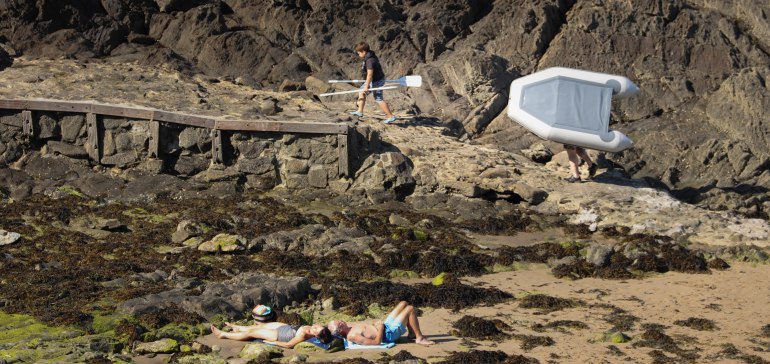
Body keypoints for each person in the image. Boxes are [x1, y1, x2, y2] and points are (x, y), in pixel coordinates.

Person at [327, 301, 435, 346]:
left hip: (384, 326)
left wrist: (376, 325)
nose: (341, 321)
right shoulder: (352, 336)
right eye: (339, 323)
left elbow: (367, 329)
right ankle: (419, 338)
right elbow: (376, 342)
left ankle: (412, 334)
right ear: (340, 330)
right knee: (410, 309)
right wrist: (380, 328)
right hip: (387, 334)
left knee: (403, 303)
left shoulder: (350, 328)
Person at [349, 41, 397, 125]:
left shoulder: (369, 61)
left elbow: (370, 75)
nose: (358, 55)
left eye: (359, 53)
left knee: (378, 98)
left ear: (363, 51)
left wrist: (367, 86)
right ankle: (360, 111)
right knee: (361, 92)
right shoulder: (370, 55)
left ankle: (391, 116)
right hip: (375, 79)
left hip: (377, 81)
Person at [210, 321, 333, 348]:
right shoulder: (314, 328)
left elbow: (289, 345)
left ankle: (223, 335)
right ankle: (238, 328)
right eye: (317, 326)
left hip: (278, 335)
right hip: (286, 327)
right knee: (260, 326)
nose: (316, 325)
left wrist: (273, 342)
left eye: (317, 329)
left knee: (252, 333)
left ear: (316, 335)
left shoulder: (304, 335)